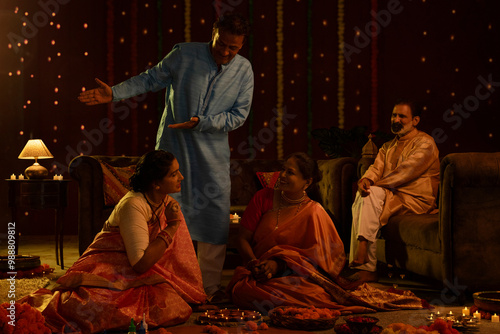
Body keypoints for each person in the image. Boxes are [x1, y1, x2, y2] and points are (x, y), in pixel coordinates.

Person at [78, 13, 254, 303]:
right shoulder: (184, 53)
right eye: (221, 43)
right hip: (175, 150)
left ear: (242, 45)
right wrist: (114, 94)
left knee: (213, 217)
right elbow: (150, 79)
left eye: (233, 48)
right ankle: (170, 284)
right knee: (168, 213)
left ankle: (208, 289)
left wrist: (202, 122)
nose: (225, 52)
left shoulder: (244, 70)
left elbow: (239, 115)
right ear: (213, 32)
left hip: (212, 156)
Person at [23, 150, 206, 333]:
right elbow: (140, 264)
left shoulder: (166, 202)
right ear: (155, 183)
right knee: (94, 307)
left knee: (171, 305)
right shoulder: (133, 205)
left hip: (141, 272)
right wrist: (171, 227)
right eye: (173, 174)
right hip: (108, 267)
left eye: (178, 171)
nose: (181, 177)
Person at [227, 152, 427, 314]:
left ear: (307, 182)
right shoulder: (263, 197)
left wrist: (280, 263)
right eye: (282, 170)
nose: (282, 176)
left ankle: (287, 302)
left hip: (295, 278)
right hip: (258, 273)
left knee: (316, 295)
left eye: (290, 172)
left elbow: (326, 261)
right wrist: (255, 264)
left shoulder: (314, 211)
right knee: (242, 291)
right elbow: (242, 239)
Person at [348, 100, 440, 285]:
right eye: (393, 115)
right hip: (393, 195)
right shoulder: (387, 146)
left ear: (415, 120)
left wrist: (375, 185)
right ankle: (365, 261)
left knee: (370, 194)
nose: (396, 119)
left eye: (402, 116)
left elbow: (406, 172)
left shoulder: (425, 143)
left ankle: (364, 260)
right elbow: (376, 168)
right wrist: (366, 180)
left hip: (416, 199)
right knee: (365, 193)